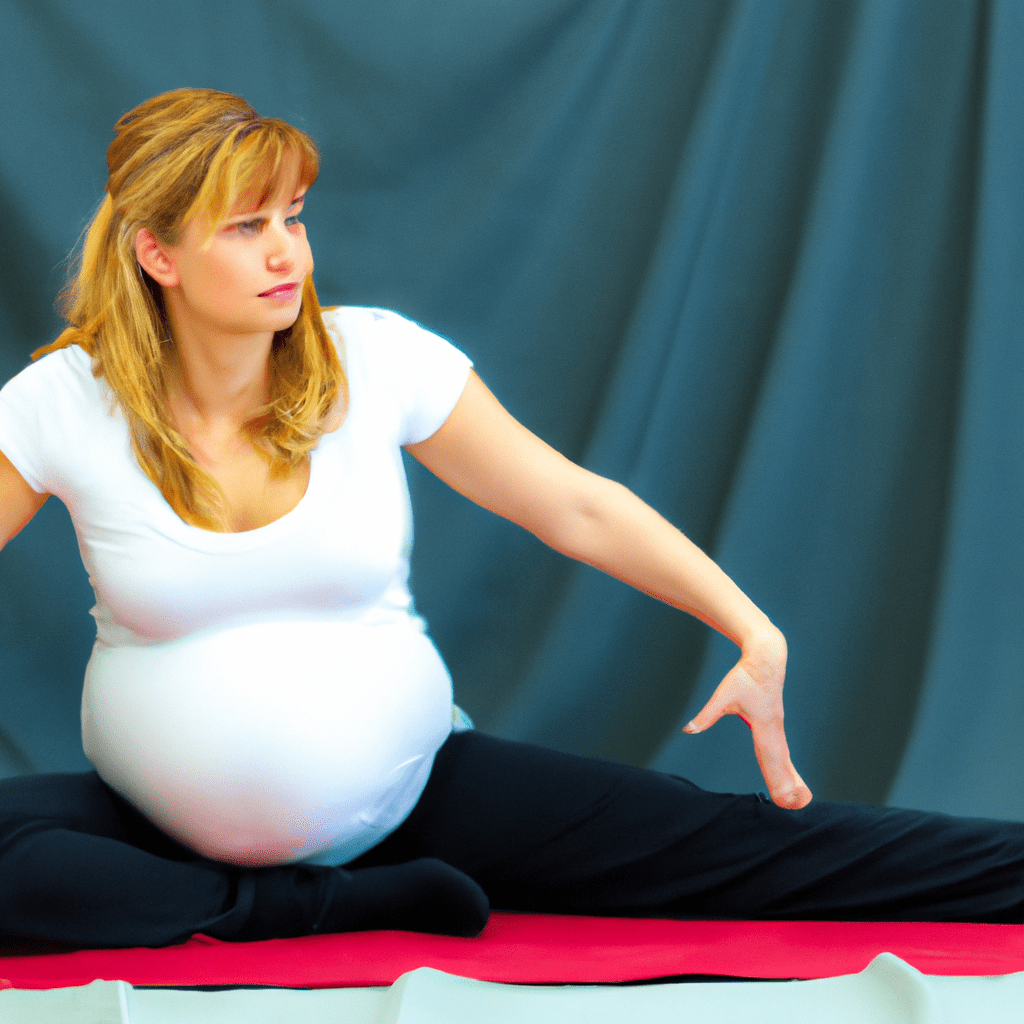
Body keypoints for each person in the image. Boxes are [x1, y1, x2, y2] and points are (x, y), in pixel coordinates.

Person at [0, 89, 1020, 950]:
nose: (287, 254)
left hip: (420, 795)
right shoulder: (64, 403)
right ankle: (320, 907)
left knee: (758, 849)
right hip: (158, 827)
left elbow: (573, 504)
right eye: (245, 225)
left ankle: (270, 907)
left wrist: (750, 626)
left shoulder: (376, 360)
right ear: (157, 255)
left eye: (294, 217)